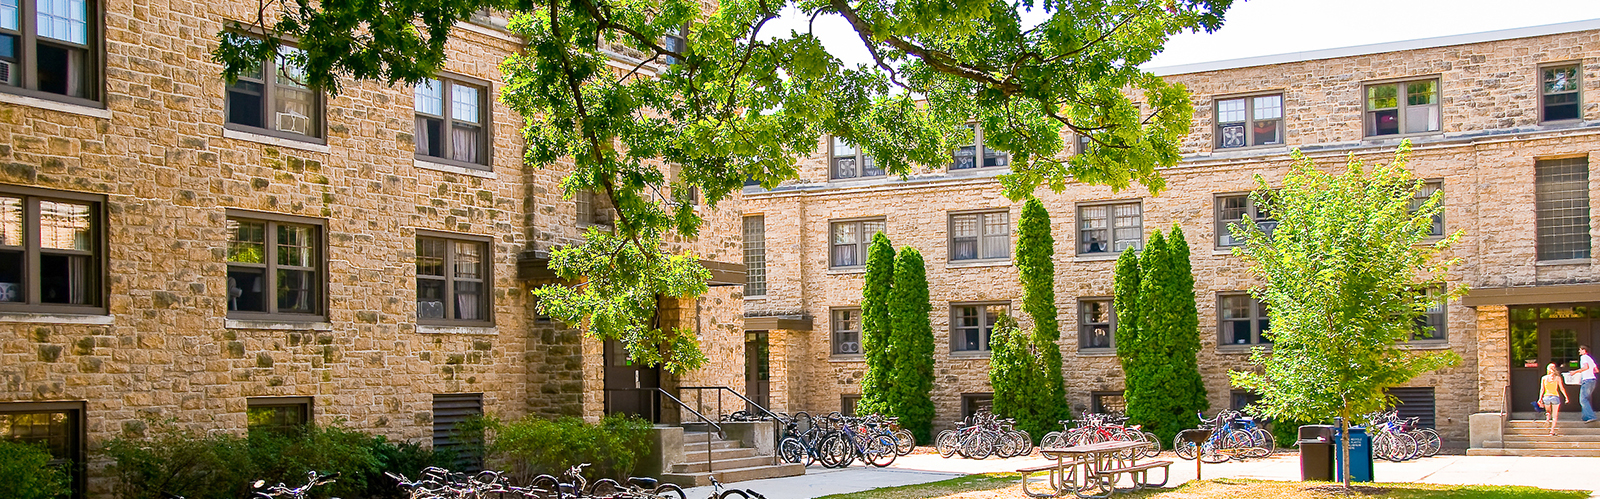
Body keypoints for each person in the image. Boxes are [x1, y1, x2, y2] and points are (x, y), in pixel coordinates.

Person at [1542, 363, 1569, 436]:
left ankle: (1547, 416)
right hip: (1555, 397)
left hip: (1546, 397)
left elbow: (1542, 389)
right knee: (1555, 416)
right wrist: (1566, 397)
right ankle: (1552, 431)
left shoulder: (1544, 378)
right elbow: (1562, 388)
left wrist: (1540, 398)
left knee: (1548, 410)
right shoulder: (1557, 378)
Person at [1581, 345, 1597, 423]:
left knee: (1583, 399)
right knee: (1586, 398)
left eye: (1580, 350)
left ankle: (1590, 416)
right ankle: (1585, 417)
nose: (1579, 351)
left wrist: (1575, 372)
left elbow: (1586, 367)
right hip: (1593, 380)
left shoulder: (1584, 357)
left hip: (1587, 380)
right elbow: (1596, 370)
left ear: (1584, 350)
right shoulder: (1590, 359)